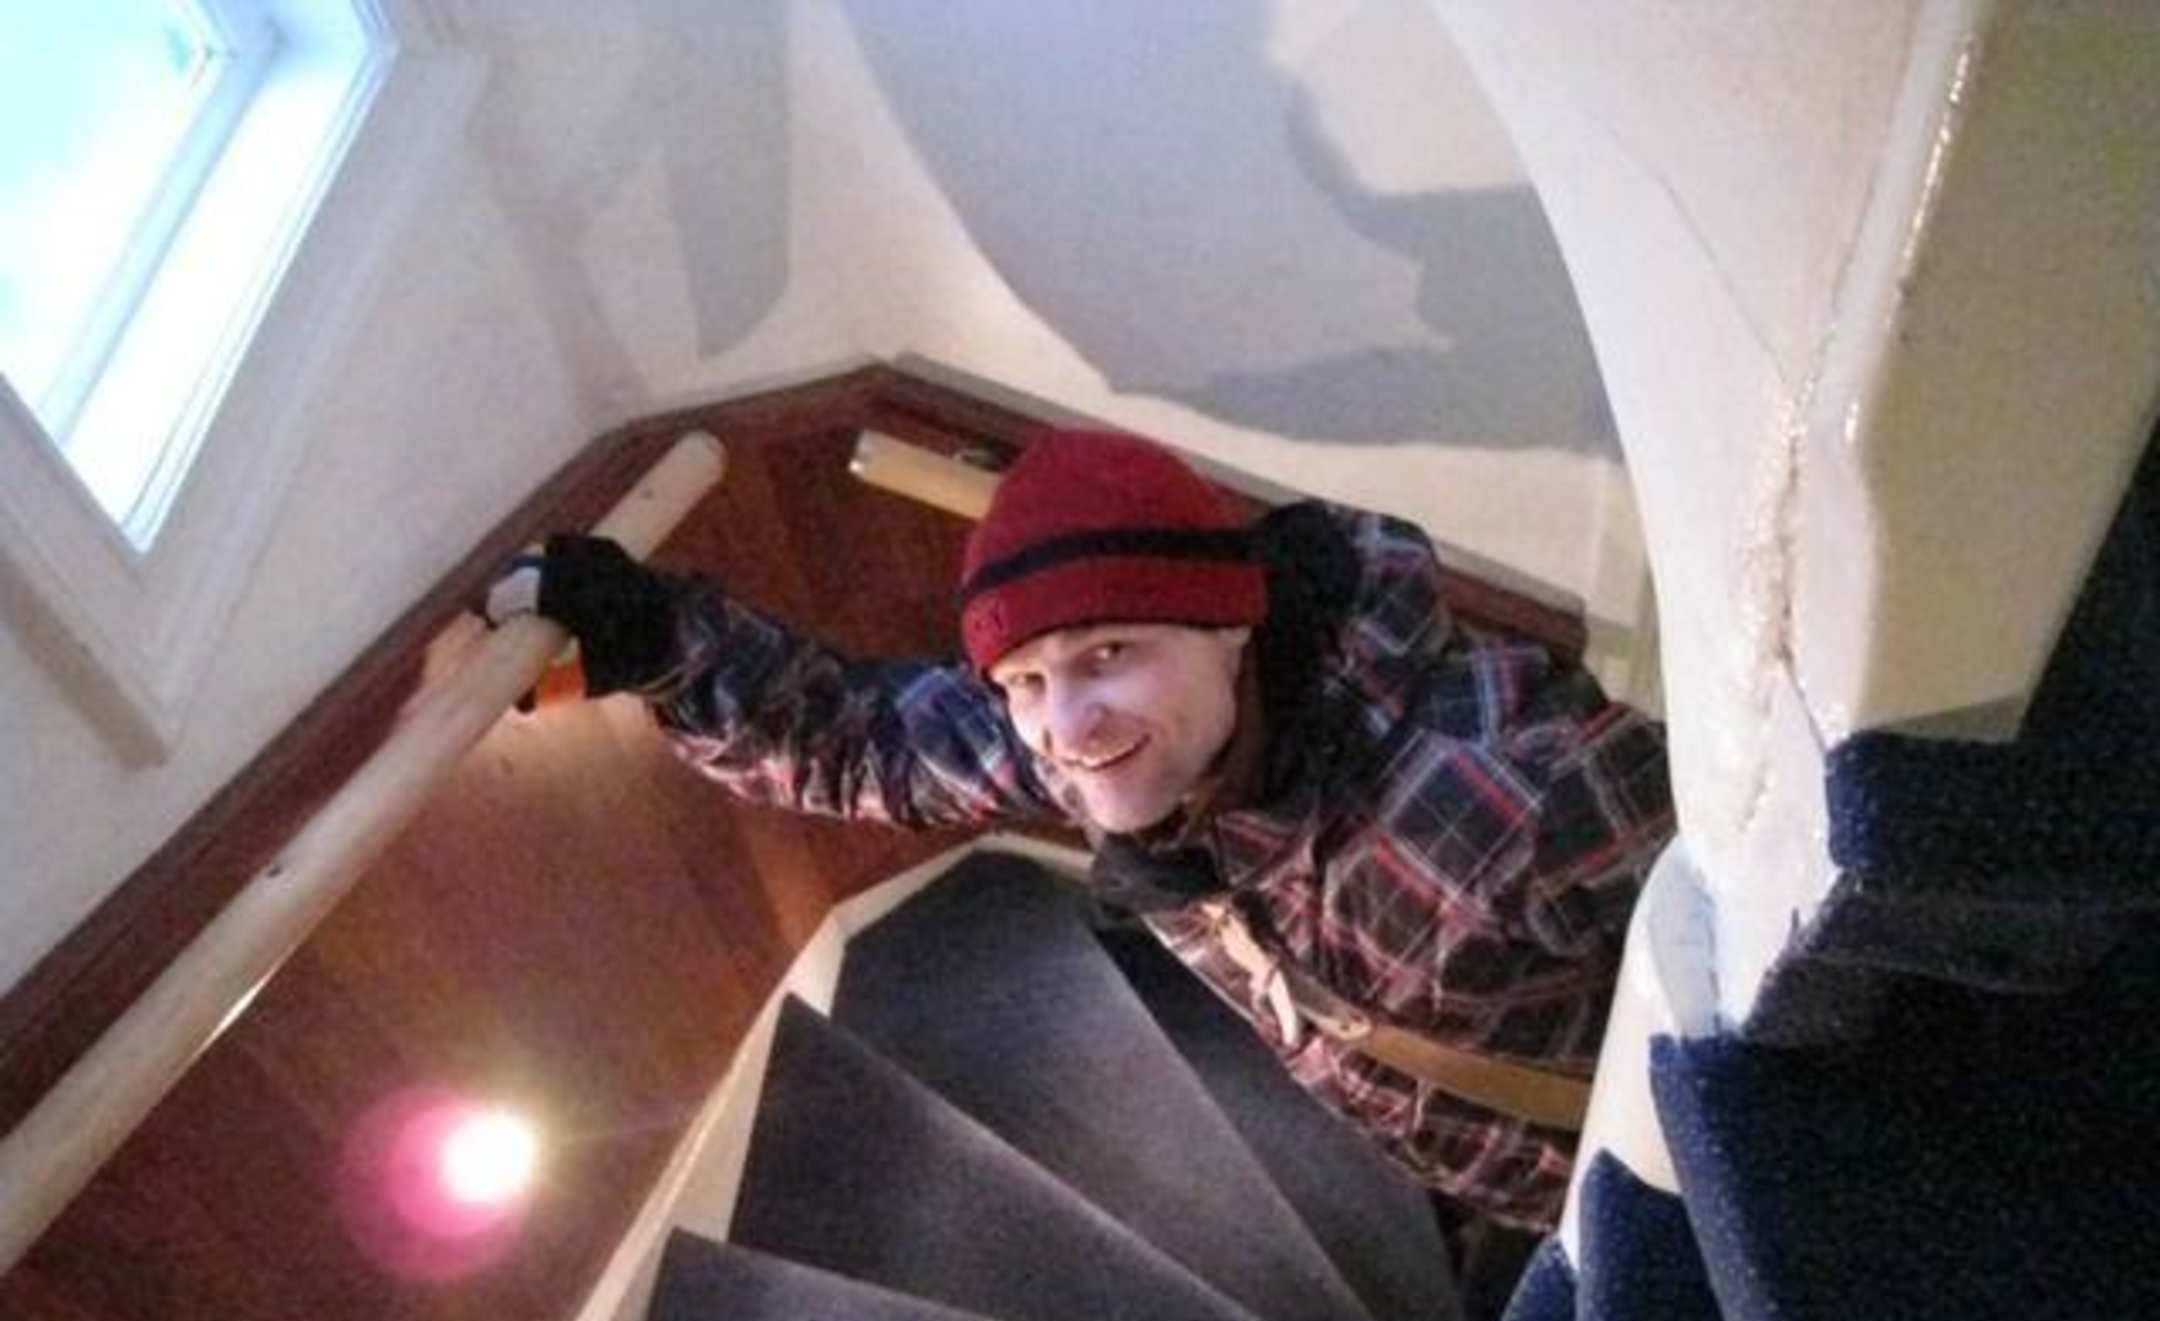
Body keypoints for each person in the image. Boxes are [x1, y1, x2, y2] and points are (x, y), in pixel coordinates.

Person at [485, 429, 1673, 1234]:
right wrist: (655, 641)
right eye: (1024, 679)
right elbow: (865, 742)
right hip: (1503, 1179)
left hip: (1660, 1164)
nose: (1065, 727)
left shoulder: (1514, 786)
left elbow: (1766, 972)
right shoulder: (1132, 749)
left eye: (1109, 654)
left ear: (1232, 627)